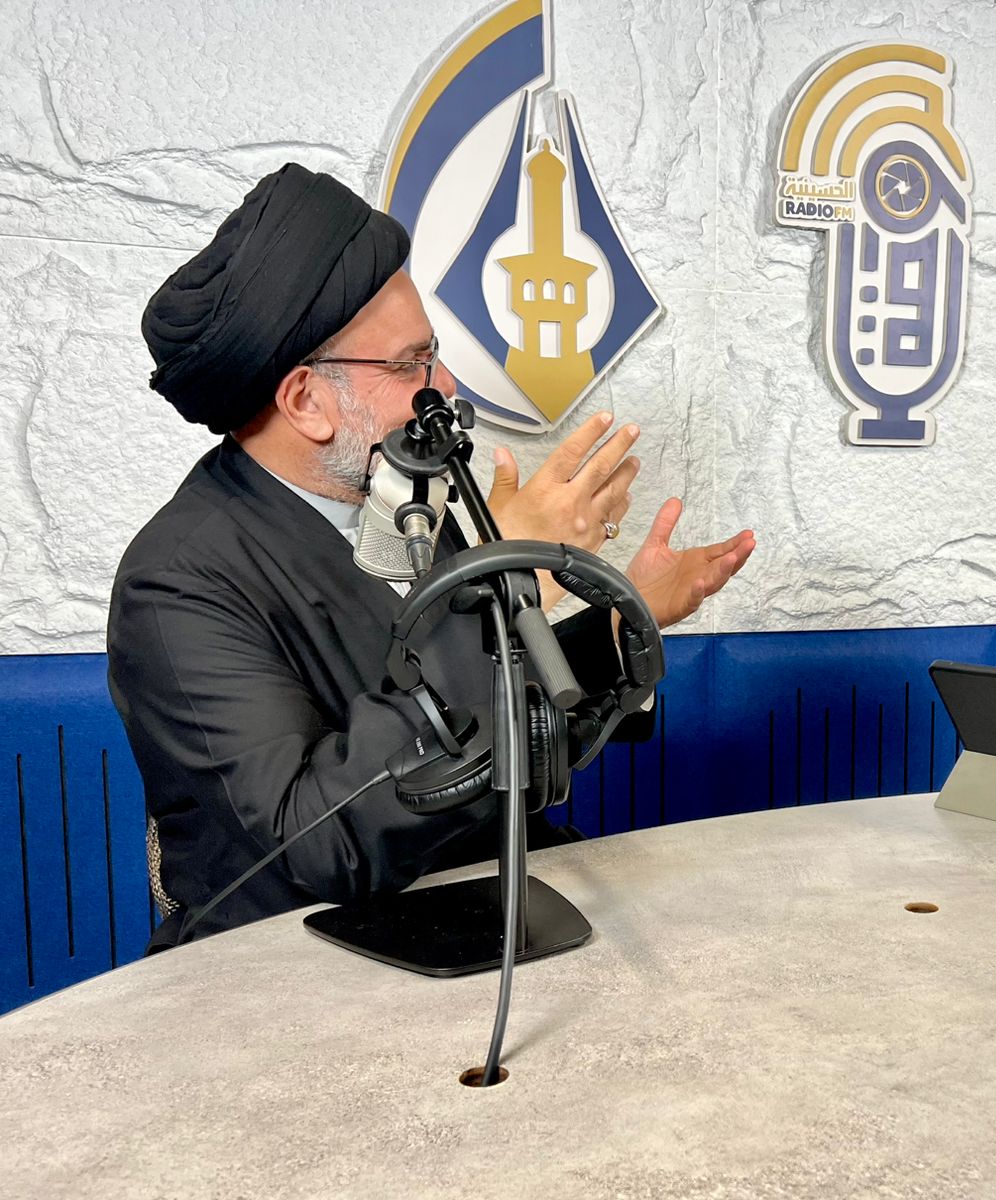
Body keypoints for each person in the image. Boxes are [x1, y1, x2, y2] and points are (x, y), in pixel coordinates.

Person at [108, 163, 755, 947]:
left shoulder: (403, 503)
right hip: (298, 962)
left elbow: (497, 702)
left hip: (477, 909)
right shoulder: (176, 583)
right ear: (307, 401)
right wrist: (510, 567)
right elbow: (316, 841)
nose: (444, 385)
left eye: (434, 355)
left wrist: (622, 621)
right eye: (410, 363)